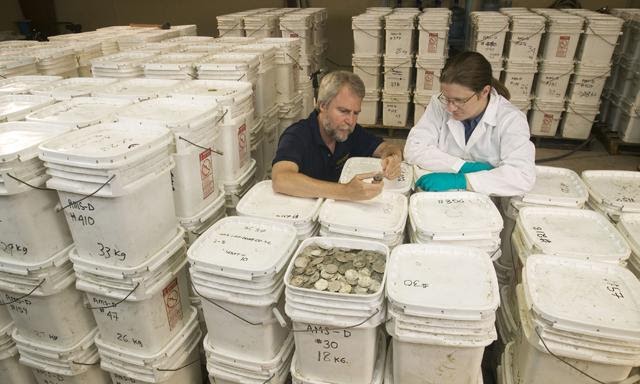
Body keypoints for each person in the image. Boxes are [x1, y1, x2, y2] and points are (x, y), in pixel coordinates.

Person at [404, 51, 535, 196]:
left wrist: (462, 180)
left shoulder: (511, 119)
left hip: (484, 201)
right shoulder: (438, 104)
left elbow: (522, 176)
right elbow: (414, 148)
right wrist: (461, 166)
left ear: (485, 91)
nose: (450, 107)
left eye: (459, 100)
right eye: (447, 98)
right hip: (439, 195)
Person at [272, 71, 403, 200]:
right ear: (323, 105)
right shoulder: (297, 135)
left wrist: (393, 158)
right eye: (343, 111)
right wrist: (346, 191)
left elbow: (387, 147)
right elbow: (281, 179)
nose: (351, 121)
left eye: (355, 113)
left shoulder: (351, 132)